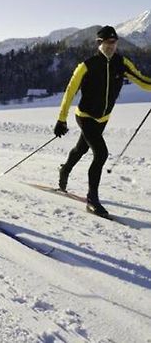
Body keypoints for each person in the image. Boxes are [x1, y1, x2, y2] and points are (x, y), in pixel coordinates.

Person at [54, 25, 151, 217]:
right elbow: (70, 91)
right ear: (99, 43)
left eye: (114, 42)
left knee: (81, 148)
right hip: (85, 116)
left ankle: (64, 169)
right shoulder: (87, 65)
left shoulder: (121, 63)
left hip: (103, 118)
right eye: (107, 43)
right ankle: (92, 199)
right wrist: (61, 119)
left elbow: (142, 81)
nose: (111, 46)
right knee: (101, 153)